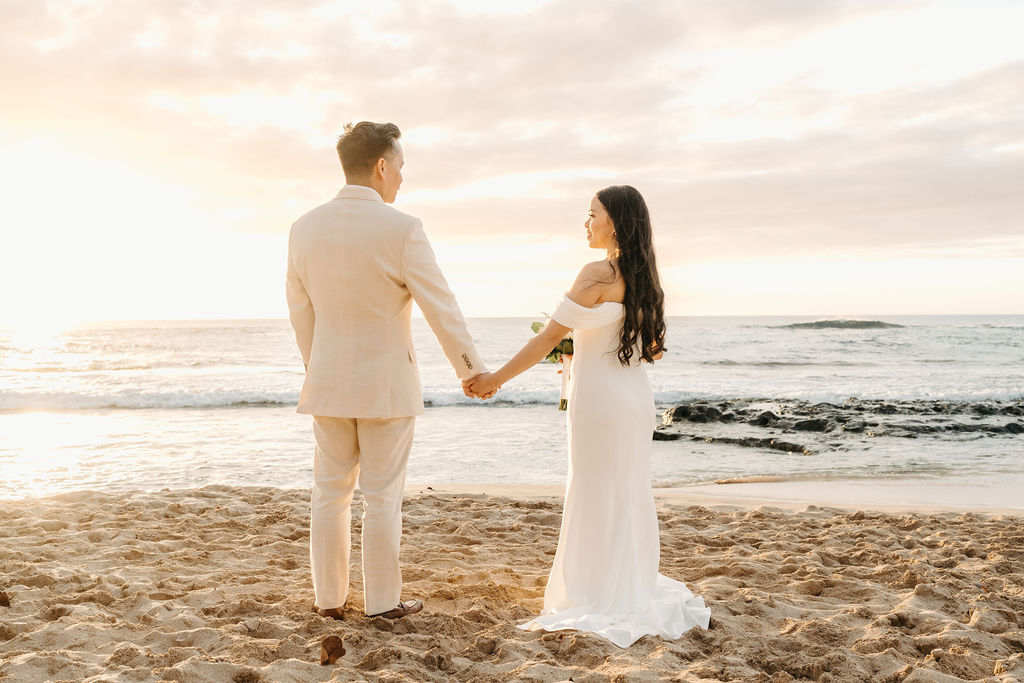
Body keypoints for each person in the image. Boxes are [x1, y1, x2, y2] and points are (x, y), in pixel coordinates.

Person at [468, 185, 711, 647]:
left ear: (614, 222)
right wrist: (584, 346)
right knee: (626, 490)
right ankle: (627, 584)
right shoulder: (646, 279)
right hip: (635, 400)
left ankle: (593, 591)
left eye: (591, 214)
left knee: (595, 488)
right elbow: (649, 351)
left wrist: (494, 378)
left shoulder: (596, 274)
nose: (586, 222)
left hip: (599, 403)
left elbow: (545, 340)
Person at [286, 121, 490, 621]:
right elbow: (441, 305)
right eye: (399, 167)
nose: (401, 177)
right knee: (381, 498)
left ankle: (329, 601)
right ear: (381, 166)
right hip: (386, 387)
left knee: (329, 494)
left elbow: (300, 310)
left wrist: (320, 366)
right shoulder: (402, 229)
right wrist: (471, 369)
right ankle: (382, 604)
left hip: (328, 383)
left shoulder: (303, 227)